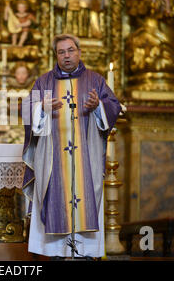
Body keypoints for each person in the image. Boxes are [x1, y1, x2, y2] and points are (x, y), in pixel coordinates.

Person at [21, 34, 121, 259]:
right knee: (55, 196)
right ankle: (56, 253)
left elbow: (113, 105)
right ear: (56, 55)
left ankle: (84, 253)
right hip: (53, 159)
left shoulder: (95, 81)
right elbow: (26, 109)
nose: (66, 56)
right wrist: (41, 108)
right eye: (61, 52)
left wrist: (98, 106)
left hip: (86, 158)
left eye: (70, 50)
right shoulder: (44, 81)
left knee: (86, 199)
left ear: (79, 52)